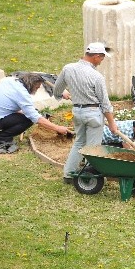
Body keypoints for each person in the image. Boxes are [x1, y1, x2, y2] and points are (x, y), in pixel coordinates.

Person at [53, 41, 119, 184]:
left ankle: (68, 174)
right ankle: (90, 178)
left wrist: (61, 94)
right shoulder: (96, 76)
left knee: (79, 143)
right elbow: (105, 104)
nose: (101, 61)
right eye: (102, 58)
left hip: (78, 111)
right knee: (93, 148)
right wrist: (112, 123)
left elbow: (57, 90)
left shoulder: (68, 69)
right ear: (96, 56)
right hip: (93, 113)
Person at [0, 73, 72, 154]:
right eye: (37, 87)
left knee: (26, 113)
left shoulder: (10, 80)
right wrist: (58, 128)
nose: (37, 90)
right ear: (31, 85)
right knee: (28, 119)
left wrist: (59, 91)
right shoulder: (22, 95)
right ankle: (0, 138)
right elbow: (36, 118)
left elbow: (40, 75)